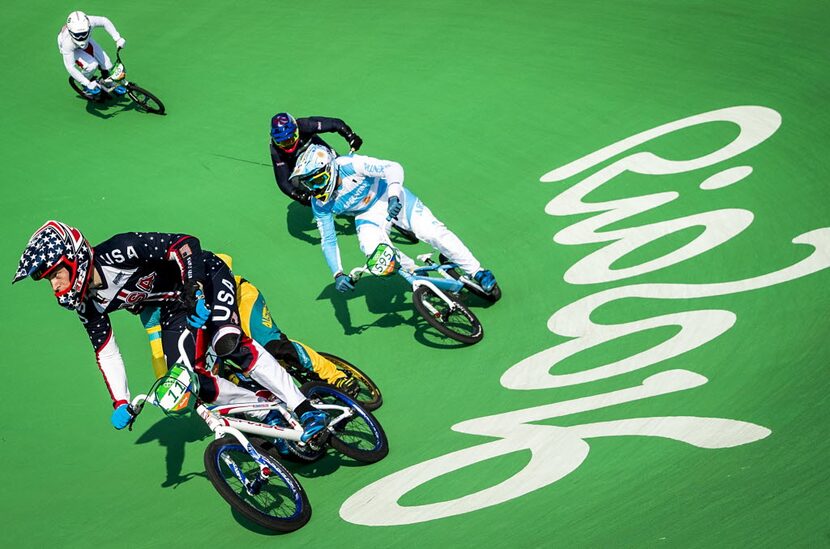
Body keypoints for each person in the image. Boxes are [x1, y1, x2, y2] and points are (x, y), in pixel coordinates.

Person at [12, 221, 328, 441]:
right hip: (174, 310)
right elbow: (106, 351)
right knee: (189, 381)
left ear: (75, 259)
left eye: (56, 274)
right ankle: (266, 412)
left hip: (206, 278)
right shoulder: (85, 304)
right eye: (49, 280)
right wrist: (120, 401)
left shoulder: (121, 250)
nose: (55, 285)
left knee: (229, 342)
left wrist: (192, 284)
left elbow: (186, 243)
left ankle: (305, 409)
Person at [140, 253, 360, 396]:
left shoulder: (176, 266)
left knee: (274, 346)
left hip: (238, 298)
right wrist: (167, 382)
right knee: (220, 378)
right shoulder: (148, 309)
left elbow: (223, 261)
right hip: (206, 327)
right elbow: (158, 351)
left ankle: (336, 376)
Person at [289, 144, 498, 294]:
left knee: (433, 233)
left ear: (330, 169)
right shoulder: (320, 204)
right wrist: (338, 273)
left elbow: (392, 168)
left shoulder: (351, 164)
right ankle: (418, 274)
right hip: (366, 215)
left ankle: (477, 271)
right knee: (374, 253)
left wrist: (394, 195)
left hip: (389, 196)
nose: (316, 189)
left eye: (318, 180)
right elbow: (328, 240)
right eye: (310, 185)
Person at [270, 112, 363, 205]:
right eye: (282, 143)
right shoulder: (275, 149)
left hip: (322, 154)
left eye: (290, 139)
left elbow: (335, 124)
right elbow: (283, 182)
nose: (288, 145)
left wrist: (350, 135)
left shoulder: (305, 125)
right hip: (301, 170)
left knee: (343, 172)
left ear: (296, 131)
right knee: (310, 194)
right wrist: (298, 195)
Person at [58, 11, 127, 98]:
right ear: (71, 32)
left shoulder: (90, 21)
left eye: (84, 34)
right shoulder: (66, 44)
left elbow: (104, 21)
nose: (81, 38)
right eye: (78, 35)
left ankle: (107, 81)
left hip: (88, 42)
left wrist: (117, 38)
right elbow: (70, 67)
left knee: (107, 64)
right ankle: (85, 85)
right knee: (92, 65)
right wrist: (87, 83)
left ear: (88, 27)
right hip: (73, 48)